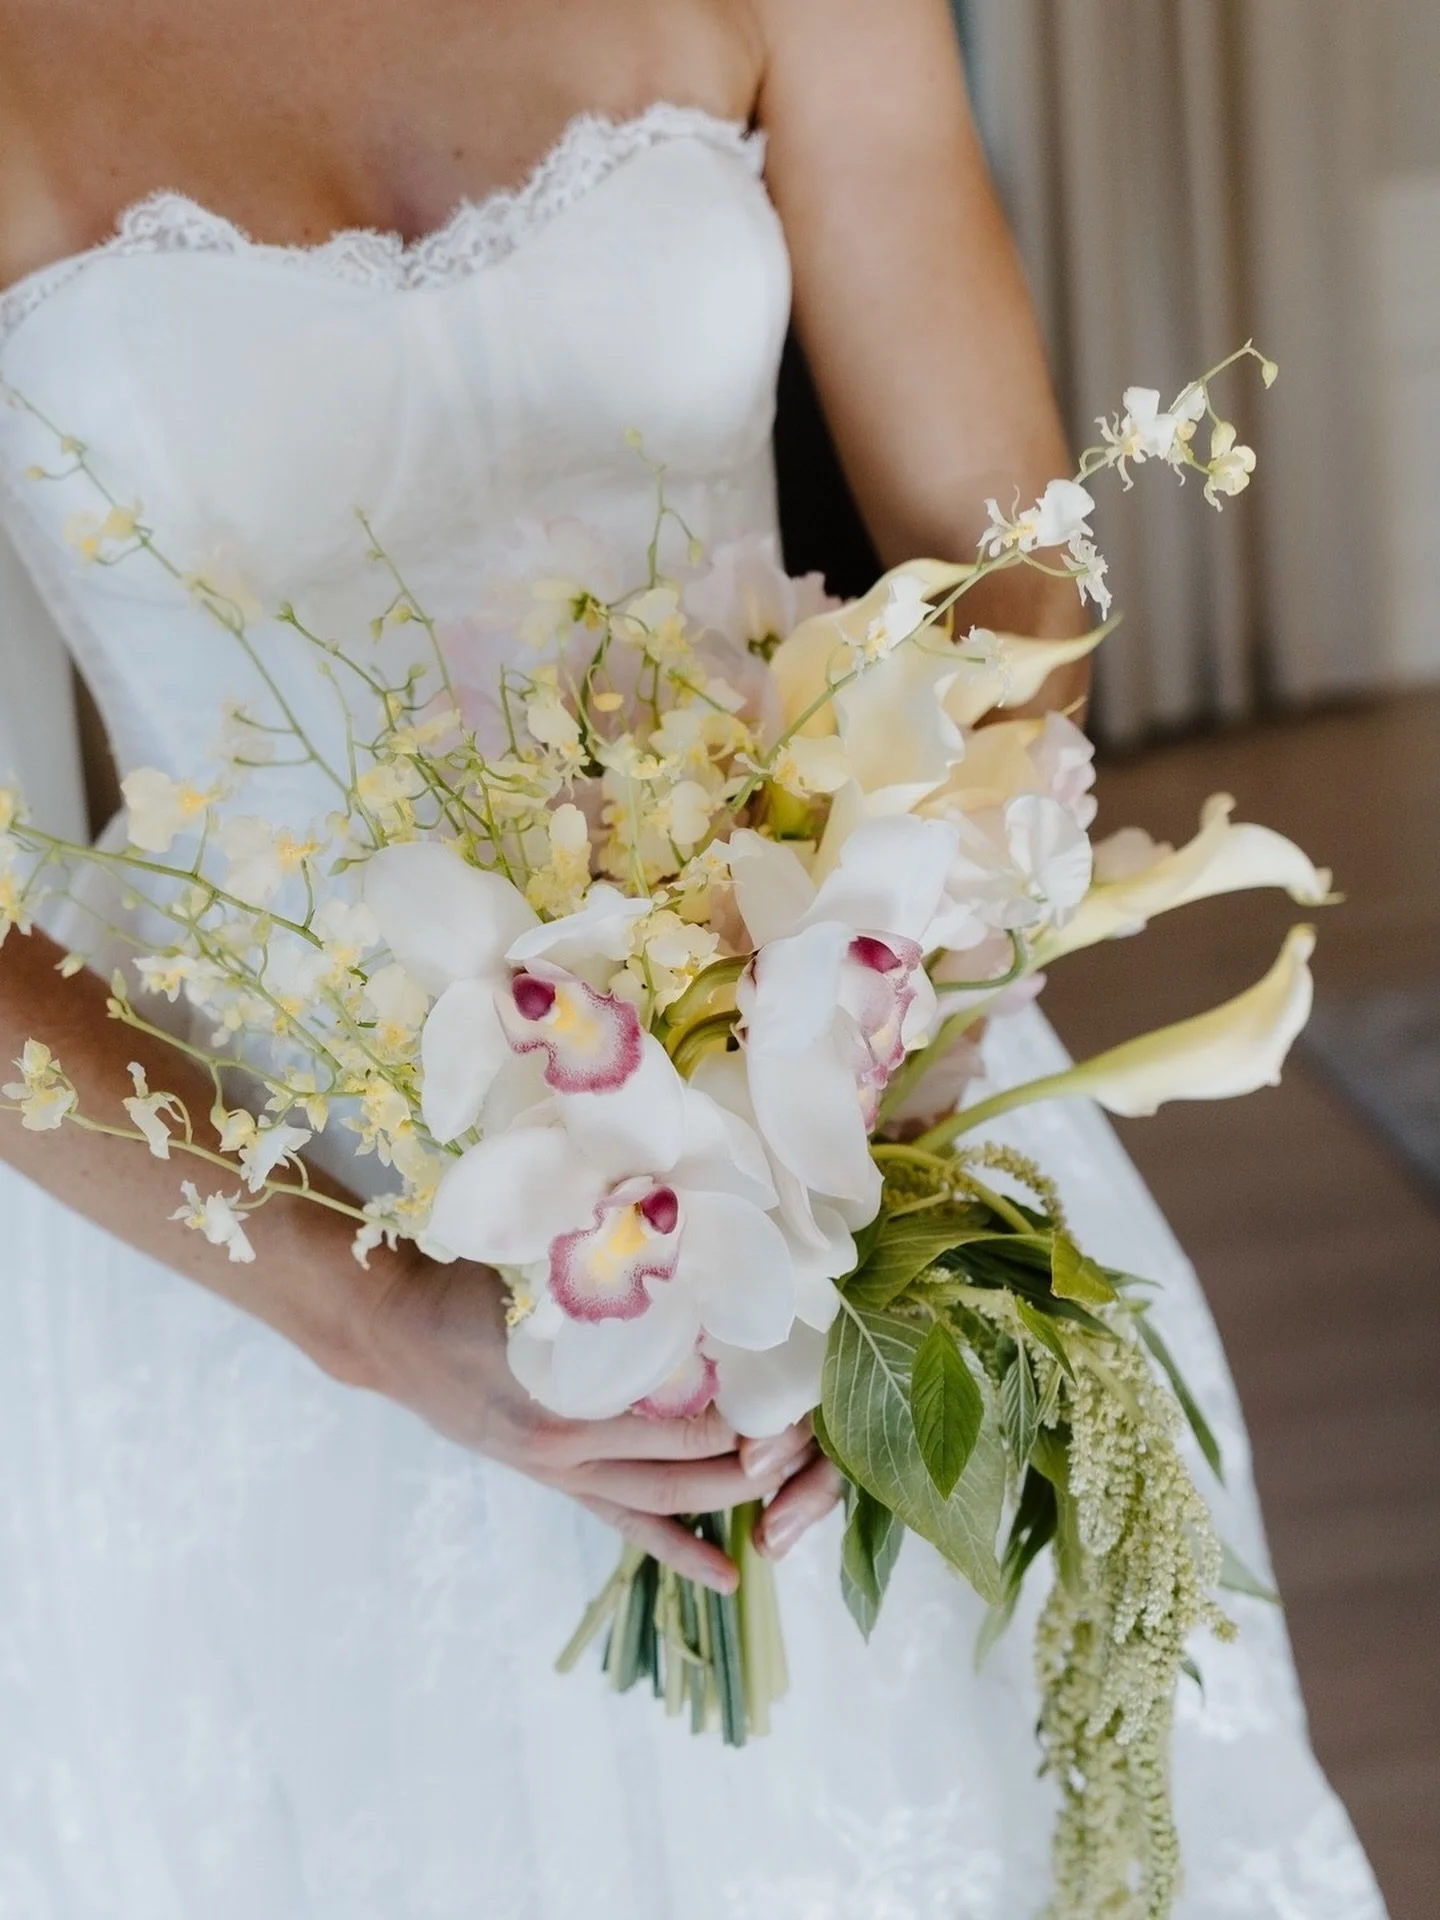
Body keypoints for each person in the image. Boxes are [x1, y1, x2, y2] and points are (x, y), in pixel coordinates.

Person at [0, 1, 1386, 1912]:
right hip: (256, 1225)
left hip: (865, 1072)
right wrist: (380, 1323)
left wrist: (848, 1077)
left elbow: (1007, 574)